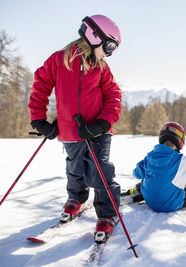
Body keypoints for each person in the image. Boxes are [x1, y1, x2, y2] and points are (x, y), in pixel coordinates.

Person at [28, 15, 122, 243]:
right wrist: (39, 119)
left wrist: (102, 123)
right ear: (94, 35)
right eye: (109, 46)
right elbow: (40, 86)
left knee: (100, 171)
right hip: (70, 132)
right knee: (74, 169)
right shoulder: (59, 60)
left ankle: (108, 213)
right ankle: (76, 198)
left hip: (97, 131)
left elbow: (114, 96)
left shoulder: (101, 67)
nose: (109, 53)